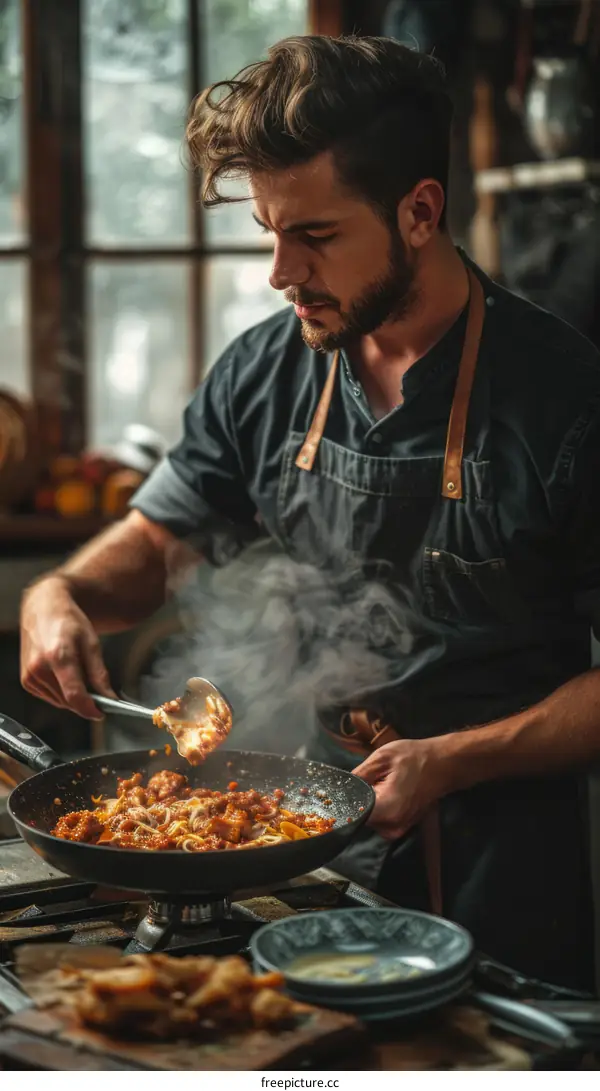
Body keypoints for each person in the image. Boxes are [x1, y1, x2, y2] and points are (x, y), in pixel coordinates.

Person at [20, 35, 600, 991]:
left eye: (317, 236)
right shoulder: (265, 366)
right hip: (301, 863)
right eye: (269, 230)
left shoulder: (564, 399)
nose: (281, 271)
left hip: (505, 875)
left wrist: (451, 759)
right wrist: (62, 592)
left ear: (420, 211)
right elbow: (159, 539)